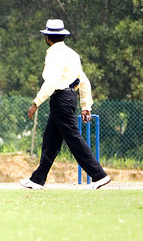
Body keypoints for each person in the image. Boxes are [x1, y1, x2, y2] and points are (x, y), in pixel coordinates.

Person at [20, 19, 111, 190]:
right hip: (68, 97)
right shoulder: (72, 54)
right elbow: (83, 81)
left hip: (60, 98)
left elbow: (51, 81)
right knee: (50, 140)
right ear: (62, 36)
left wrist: (36, 103)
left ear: (47, 37)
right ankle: (37, 179)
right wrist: (85, 107)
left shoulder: (53, 54)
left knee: (73, 139)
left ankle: (99, 175)